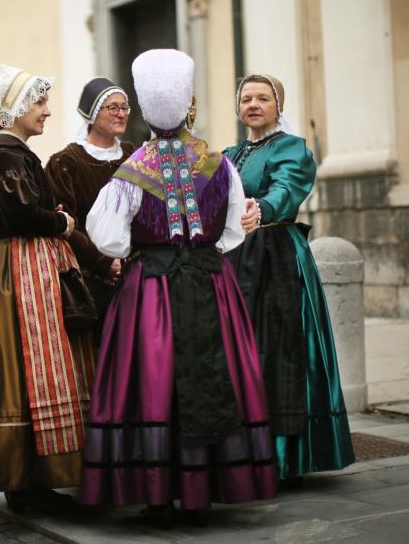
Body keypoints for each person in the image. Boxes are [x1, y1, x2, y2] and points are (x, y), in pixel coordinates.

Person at [81, 50, 277, 527]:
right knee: (217, 371)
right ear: (189, 102)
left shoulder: (130, 172)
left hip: (151, 291)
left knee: (152, 379)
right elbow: (233, 232)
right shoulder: (218, 163)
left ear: (147, 110)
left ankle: (155, 491)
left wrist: (144, 248)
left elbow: (107, 237)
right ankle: (208, 483)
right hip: (212, 284)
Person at [0, 64, 96, 514]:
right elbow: (23, 215)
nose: (47, 112)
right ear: (18, 108)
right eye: (40, 103)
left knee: (34, 372)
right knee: (29, 369)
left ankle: (33, 477)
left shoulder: (11, 151)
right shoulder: (6, 153)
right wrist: (62, 220)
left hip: (30, 266)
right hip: (22, 270)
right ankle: (25, 481)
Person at [223, 73, 355, 483]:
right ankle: (243, 450)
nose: (254, 105)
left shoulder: (294, 149)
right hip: (235, 256)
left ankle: (285, 457)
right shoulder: (230, 152)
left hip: (277, 256)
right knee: (240, 348)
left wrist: (261, 208)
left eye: (264, 98)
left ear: (279, 106)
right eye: (247, 98)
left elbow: (287, 188)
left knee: (278, 347)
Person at [45, 78, 136, 320]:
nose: (121, 114)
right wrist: (105, 263)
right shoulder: (65, 162)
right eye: (112, 107)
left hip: (137, 275)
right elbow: (66, 224)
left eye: (124, 107)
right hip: (90, 282)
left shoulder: (134, 155)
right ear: (92, 113)